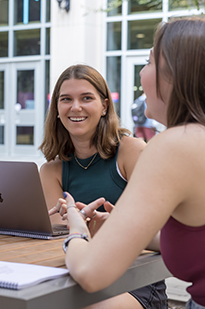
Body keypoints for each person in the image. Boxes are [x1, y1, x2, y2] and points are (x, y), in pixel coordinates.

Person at [62, 18, 205, 309]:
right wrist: (129, 230)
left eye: (149, 61)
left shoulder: (175, 145)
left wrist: (76, 230)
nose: (141, 73)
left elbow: (90, 272)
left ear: (175, 75)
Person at [39, 64, 167, 308]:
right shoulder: (51, 171)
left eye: (86, 98)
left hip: (133, 282)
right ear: (56, 108)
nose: (75, 107)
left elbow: (164, 229)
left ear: (104, 106)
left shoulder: (131, 150)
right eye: (66, 99)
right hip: (75, 278)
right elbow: (57, 239)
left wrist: (94, 225)